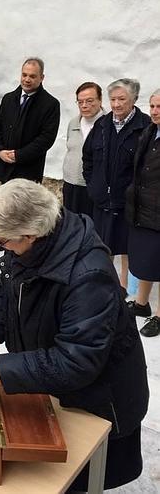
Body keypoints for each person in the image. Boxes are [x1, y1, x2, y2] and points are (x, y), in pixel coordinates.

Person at [0, 179, 148, 492]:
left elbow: (78, 360)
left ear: (31, 234)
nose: (1, 248)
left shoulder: (89, 275)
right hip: (55, 387)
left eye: (4, 242)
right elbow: (9, 286)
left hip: (97, 400)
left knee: (79, 480)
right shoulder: (31, 243)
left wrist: (3, 371)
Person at [83, 78, 150, 291]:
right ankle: (106, 285)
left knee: (128, 248)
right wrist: (94, 184)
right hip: (102, 198)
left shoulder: (145, 127)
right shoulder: (102, 125)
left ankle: (126, 289)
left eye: (122, 99)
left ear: (134, 100)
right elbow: (88, 157)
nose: (116, 104)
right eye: (113, 99)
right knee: (103, 246)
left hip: (128, 202)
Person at [0, 57, 60, 185]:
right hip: (5, 168)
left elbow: (46, 139)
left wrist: (19, 155)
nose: (27, 79)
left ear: (41, 78)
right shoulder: (8, 99)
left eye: (32, 76)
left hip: (29, 172)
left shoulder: (50, 104)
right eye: (24, 75)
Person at [124, 89, 160, 336]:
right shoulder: (149, 131)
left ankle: (159, 316)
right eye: (153, 106)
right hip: (142, 209)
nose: (155, 111)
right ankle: (141, 304)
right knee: (145, 261)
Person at [62, 82, 105, 216]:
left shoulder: (107, 125)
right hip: (70, 184)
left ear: (100, 100)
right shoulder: (74, 123)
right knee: (70, 224)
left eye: (89, 101)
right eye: (80, 102)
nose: (84, 105)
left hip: (92, 187)